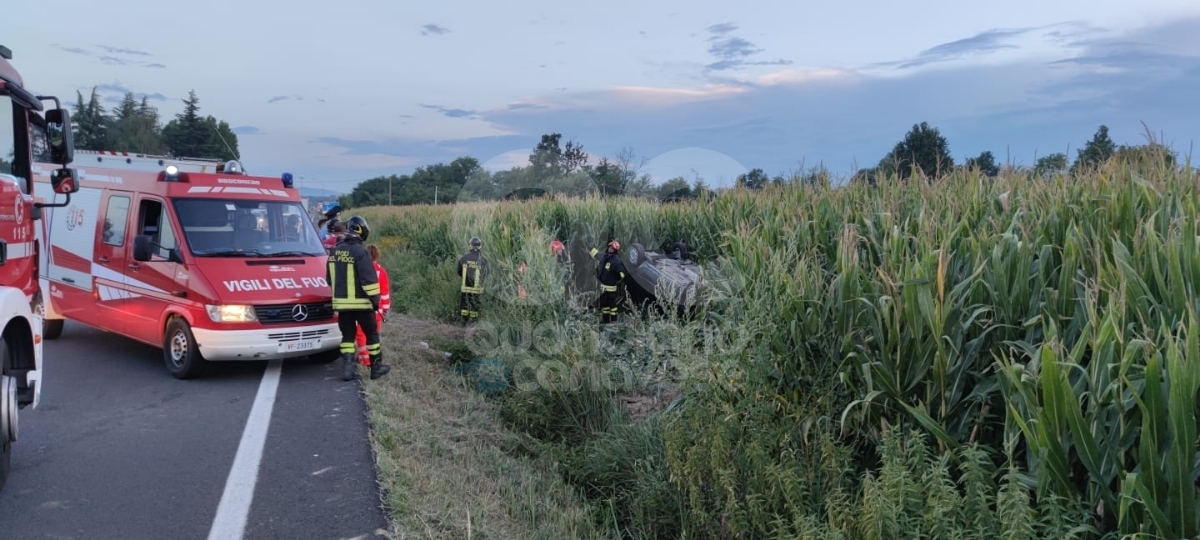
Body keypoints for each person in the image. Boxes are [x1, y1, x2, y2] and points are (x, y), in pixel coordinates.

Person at [327, 215, 391, 381]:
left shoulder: (335, 251)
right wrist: (376, 302)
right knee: (372, 335)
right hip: (362, 305)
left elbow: (328, 279)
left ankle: (348, 370)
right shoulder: (361, 251)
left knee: (347, 337)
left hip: (342, 305)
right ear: (361, 230)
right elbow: (369, 280)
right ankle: (376, 367)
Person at [355, 244, 390, 366]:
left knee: (361, 334)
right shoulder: (381, 271)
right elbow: (384, 293)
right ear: (377, 255)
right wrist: (385, 309)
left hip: (362, 308)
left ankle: (364, 359)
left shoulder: (359, 269)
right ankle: (372, 358)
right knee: (373, 335)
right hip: (377, 311)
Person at [589, 240, 626, 324]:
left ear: (615, 250)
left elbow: (623, 274)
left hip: (611, 290)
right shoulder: (605, 256)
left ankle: (613, 322)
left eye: (612, 249)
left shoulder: (617, 261)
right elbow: (596, 254)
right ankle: (605, 321)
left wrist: (618, 277)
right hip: (603, 289)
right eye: (610, 247)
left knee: (612, 307)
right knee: (605, 306)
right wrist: (589, 247)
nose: (610, 249)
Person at [456, 237, 488, 325]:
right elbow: (487, 273)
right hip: (477, 289)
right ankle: (473, 323)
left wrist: (465, 278)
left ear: (470, 246)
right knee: (475, 306)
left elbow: (458, 270)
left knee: (464, 306)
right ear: (480, 246)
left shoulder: (464, 258)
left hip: (465, 288)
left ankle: (463, 322)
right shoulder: (483, 260)